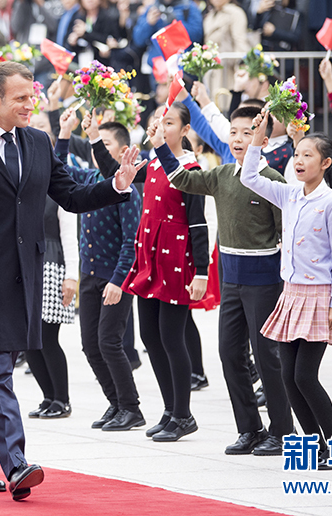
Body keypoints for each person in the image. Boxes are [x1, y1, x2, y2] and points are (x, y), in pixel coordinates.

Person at [0, 61, 140, 500]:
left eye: (33, 96)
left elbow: (71, 196)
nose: (31, 104)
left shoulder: (40, 143)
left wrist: (115, 185)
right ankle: (16, 464)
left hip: (25, 275)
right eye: (21, 98)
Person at [156, 106, 293, 455]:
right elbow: (183, 179)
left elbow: (285, 235)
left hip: (263, 280)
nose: (237, 138)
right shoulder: (221, 175)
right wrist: (160, 147)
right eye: (233, 132)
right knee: (229, 353)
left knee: (266, 357)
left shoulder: (273, 180)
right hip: (230, 278)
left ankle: (282, 431)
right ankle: (250, 429)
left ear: (263, 137)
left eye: (247, 132)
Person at [241, 112, 332, 469]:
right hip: (290, 296)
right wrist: (257, 139)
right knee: (288, 380)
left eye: (308, 155)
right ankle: (316, 446)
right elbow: (249, 176)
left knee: (305, 376)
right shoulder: (290, 195)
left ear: (325, 163)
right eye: (297, 154)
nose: (299, 160)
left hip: (320, 297)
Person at [123, 104, 209, 443]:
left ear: (185, 131)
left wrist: (201, 271)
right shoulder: (154, 162)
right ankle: (171, 409)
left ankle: (184, 414)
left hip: (176, 258)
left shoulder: (190, 168)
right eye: (157, 122)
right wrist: (94, 138)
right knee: (149, 336)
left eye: (169, 123)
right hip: (150, 257)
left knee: (172, 337)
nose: (160, 127)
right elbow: (116, 174)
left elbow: (199, 222)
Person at [56, 112, 144, 431]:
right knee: (90, 345)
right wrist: (64, 132)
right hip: (90, 276)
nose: (98, 149)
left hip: (114, 278)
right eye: (96, 142)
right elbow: (59, 171)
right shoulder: (90, 180)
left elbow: (132, 240)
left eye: (105, 143)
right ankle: (115, 403)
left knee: (109, 342)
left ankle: (131, 408)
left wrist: (119, 281)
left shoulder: (127, 189)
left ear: (122, 152)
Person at [23, 113, 80, 420]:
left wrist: (72, 276)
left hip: (53, 264)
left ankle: (62, 399)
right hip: (26, 265)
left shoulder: (59, 188)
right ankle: (47, 397)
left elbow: (70, 234)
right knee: (29, 337)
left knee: (47, 336)